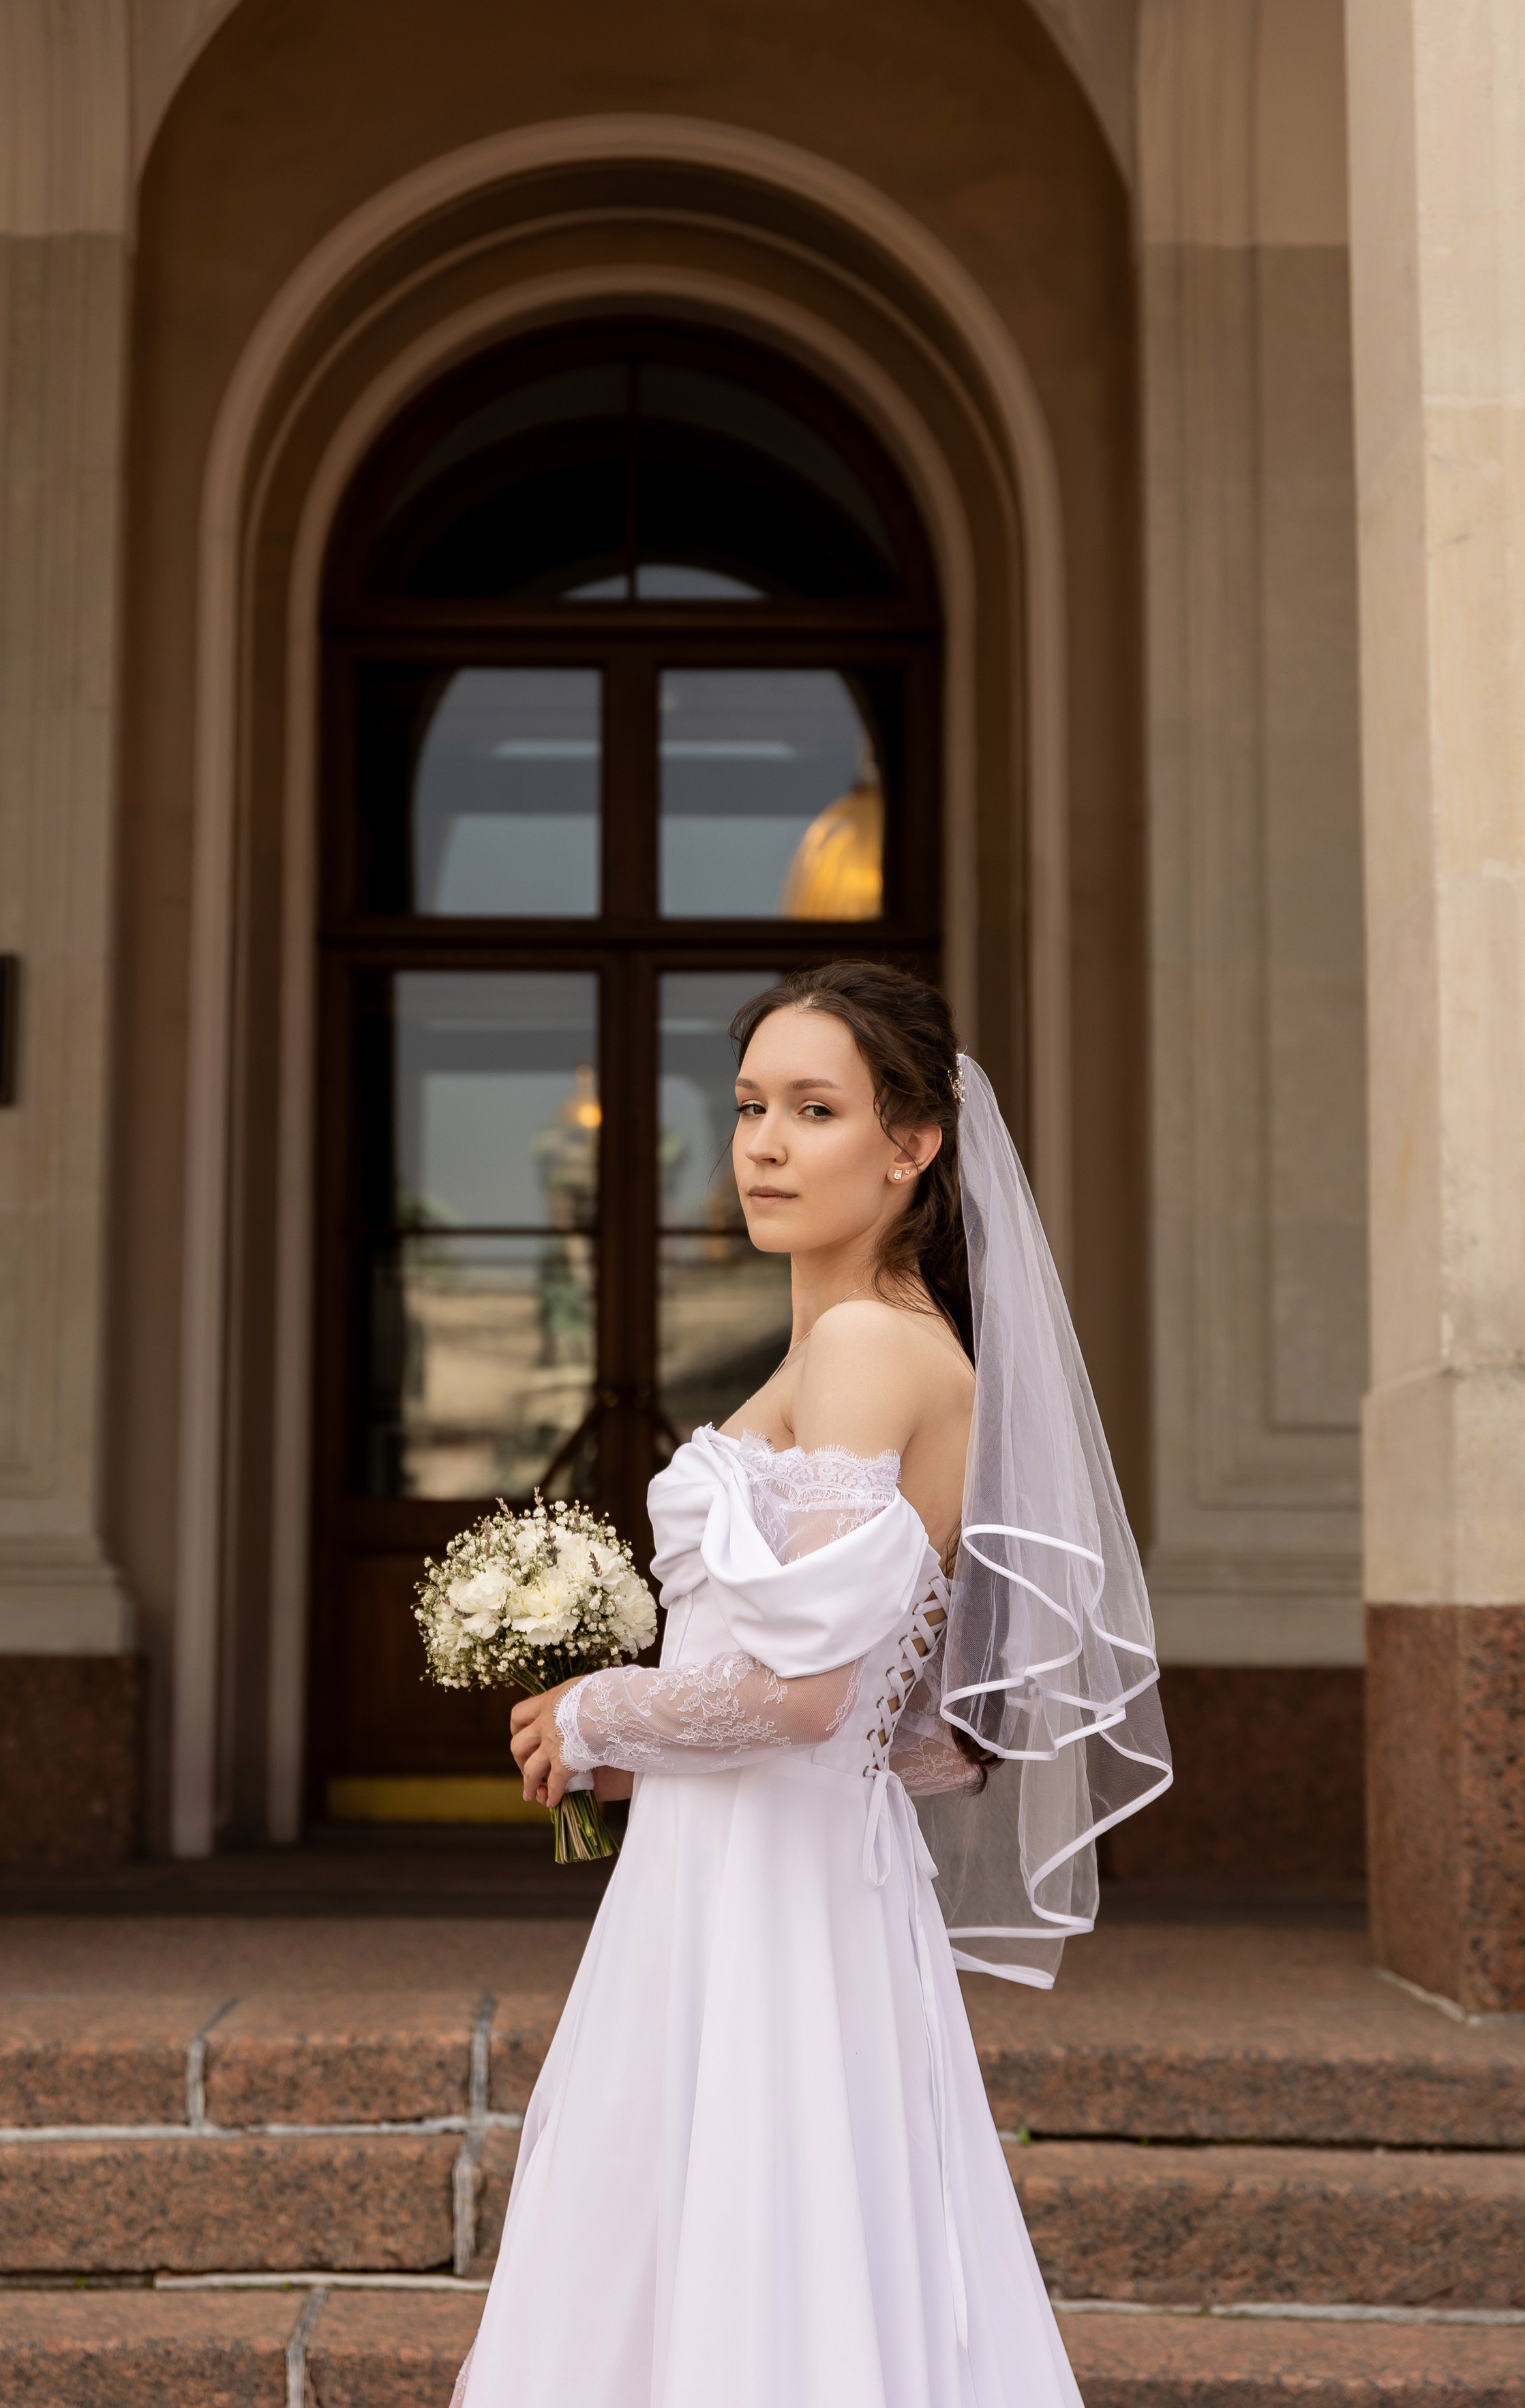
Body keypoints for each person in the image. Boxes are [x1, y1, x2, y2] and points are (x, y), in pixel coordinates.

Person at [453, 961, 1171, 2407]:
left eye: (813, 1108)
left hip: (769, 1897)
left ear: (909, 1148)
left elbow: (800, 1698)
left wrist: (596, 1710)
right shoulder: (869, 1344)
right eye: (746, 1108)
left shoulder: (863, 1346)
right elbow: (902, 1732)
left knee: (740, 2246)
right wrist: (642, 1748)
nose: (763, 1144)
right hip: (761, 1870)